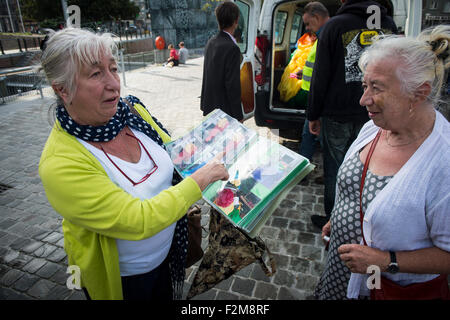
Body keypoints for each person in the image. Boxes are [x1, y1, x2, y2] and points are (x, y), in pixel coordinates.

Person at [38, 28, 229, 300]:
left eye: (113, 69)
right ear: (62, 89)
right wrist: (200, 180)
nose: (114, 83)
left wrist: (219, 142)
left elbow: (175, 152)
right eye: (95, 74)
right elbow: (138, 219)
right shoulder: (59, 164)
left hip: (167, 257)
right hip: (125, 279)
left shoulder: (131, 111)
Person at [316, 25, 450, 300]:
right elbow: (360, 190)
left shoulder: (444, 161)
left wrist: (383, 259)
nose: (364, 99)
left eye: (376, 87)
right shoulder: (374, 128)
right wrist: (340, 217)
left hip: (384, 289)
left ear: (419, 92)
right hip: (339, 275)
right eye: (365, 85)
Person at [307, 0, 397, 229]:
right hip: (375, 114)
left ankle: (334, 223)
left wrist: (313, 114)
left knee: (336, 170)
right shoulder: (387, 26)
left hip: (337, 113)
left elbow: (320, 75)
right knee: (371, 169)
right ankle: (364, 221)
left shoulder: (335, 26)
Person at [295, 2, 329, 162]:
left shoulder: (327, 35)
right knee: (311, 135)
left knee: (313, 135)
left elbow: (326, 71)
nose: (307, 28)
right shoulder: (321, 36)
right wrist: (305, 73)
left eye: (308, 23)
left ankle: (302, 169)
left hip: (321, 99)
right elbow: (318, 65)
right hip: (314, 97)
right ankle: (303, 168)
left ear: (316, 17)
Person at [200, 1, 243, 121]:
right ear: (236, 20)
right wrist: (238, 115)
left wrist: (204, 104)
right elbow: (233, 86)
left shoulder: (211, 42)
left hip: (209, 108)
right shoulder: (232, 48)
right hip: (225, 113)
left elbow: (206, 75)